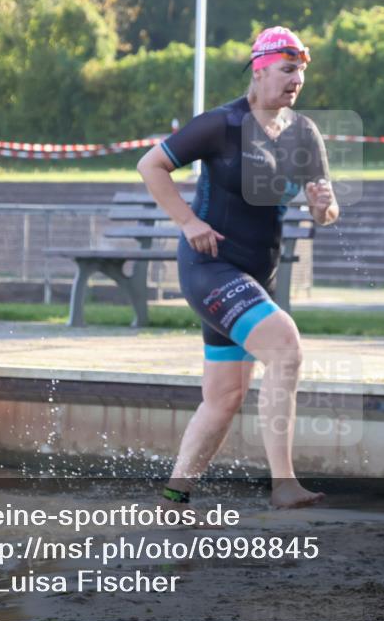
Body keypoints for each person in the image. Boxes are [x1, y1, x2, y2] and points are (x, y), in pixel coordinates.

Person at [138, 27, 340, 509]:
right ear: (260, 69)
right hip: (211, 269)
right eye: (288, 70)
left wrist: (323, 205)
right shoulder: (221, 124)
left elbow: (325, 211)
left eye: (301, 73)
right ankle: (284, 484)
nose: (296, 81)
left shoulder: (303, 132)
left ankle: (174, 495)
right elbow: (151, 165)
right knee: (286, 348)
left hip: (254, 277)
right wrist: (187, 222)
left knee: (225, 397)